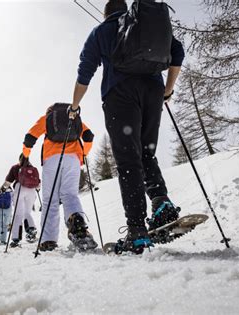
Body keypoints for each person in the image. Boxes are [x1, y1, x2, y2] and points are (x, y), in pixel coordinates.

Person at [70, 0, 185, 253]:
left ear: (106, 14)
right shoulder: (142, 25)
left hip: (120, 95)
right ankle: (161, 202)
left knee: (127, 160)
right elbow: (177, 52)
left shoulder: (101, 31)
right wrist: (167, 90)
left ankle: (137, 231)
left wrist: (75, 106)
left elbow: (85, 71)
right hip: (152, 92)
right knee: (146, 152)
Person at [22, 103, 96, 251]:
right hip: (73, 159)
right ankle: (79, 229)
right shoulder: (73, 116)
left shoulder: (47, 118)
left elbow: (30, 137)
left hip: (52, 159)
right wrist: (82, 156)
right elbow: (88, 136)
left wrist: (25, 155)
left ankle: (48, 240)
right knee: (70, 195)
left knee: (50, 200)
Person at [4, 154, 40, 247]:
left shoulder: (15, 167)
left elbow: (7, 183)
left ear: (20, 159)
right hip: (31, 191)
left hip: (19, 188)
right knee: (27, 213)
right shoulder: (33, 169)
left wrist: (3, 189)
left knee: (18, 214)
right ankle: (31, 230)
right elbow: (38, 185)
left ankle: (16, 238)